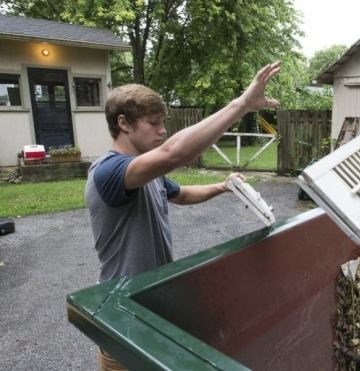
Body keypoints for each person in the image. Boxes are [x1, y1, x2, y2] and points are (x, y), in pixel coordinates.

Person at [85, 62, 280, 371]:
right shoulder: (109, 171)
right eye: (153, 122)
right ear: (123, 123)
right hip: (122, 311)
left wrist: (221, 186)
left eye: (164, 122)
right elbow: (174, 154)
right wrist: (241, 104)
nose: (163, 130)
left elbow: (182, 194)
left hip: (152, 302)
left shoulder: (146, 173)